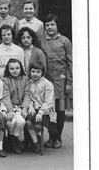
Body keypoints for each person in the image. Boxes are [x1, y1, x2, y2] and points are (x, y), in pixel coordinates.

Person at [40, 14, 72, 149]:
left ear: (57, 25)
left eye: (52, 24)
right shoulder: (41, 41)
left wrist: (69, 82)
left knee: (60, 110)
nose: (50, 27)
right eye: (47, 25)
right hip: (47, 80)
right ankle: (51, 136)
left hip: (61, 80)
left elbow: (70, 62)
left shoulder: (65, 41)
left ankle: (57, 138)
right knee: (48, 110)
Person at [25, 61, 56, 153]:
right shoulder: (29, 83)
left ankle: (36, 137)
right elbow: (29, 97)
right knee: (28, 122)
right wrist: (30, 107)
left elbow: (49, 101)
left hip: (45, 110)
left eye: (38, 72)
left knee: (38, 125)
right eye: (33, 71)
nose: (35, 74)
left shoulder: (47, 84)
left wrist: (41, 112)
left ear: (42, 72)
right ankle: (36, 143)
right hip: (33, 108)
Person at [2, 58, 30, 154]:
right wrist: (9, 110)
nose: (15, 70)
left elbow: (27, 94)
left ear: (21, 69)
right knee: (11, 122)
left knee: (21, 122)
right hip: (9, 106)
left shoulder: (25, 79)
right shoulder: (5, 80)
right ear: (8, 70)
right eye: (12, 68)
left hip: (21, 107)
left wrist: (25, 108)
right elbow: (5, 97)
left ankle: (12, 140)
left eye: (17, 68)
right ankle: (14, 142)